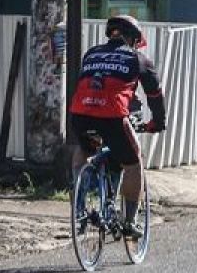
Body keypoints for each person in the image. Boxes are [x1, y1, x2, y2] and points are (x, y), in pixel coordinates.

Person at [69, 15, 166, 239]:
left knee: (84, 150)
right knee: (134, 162)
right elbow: (155, 96)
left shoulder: (92, 53)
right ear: (133, 38)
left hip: (80, 114)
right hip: (112, 117)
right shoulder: (137, 58)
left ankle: (79, 204)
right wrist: (157, 123)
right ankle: (130, 222)